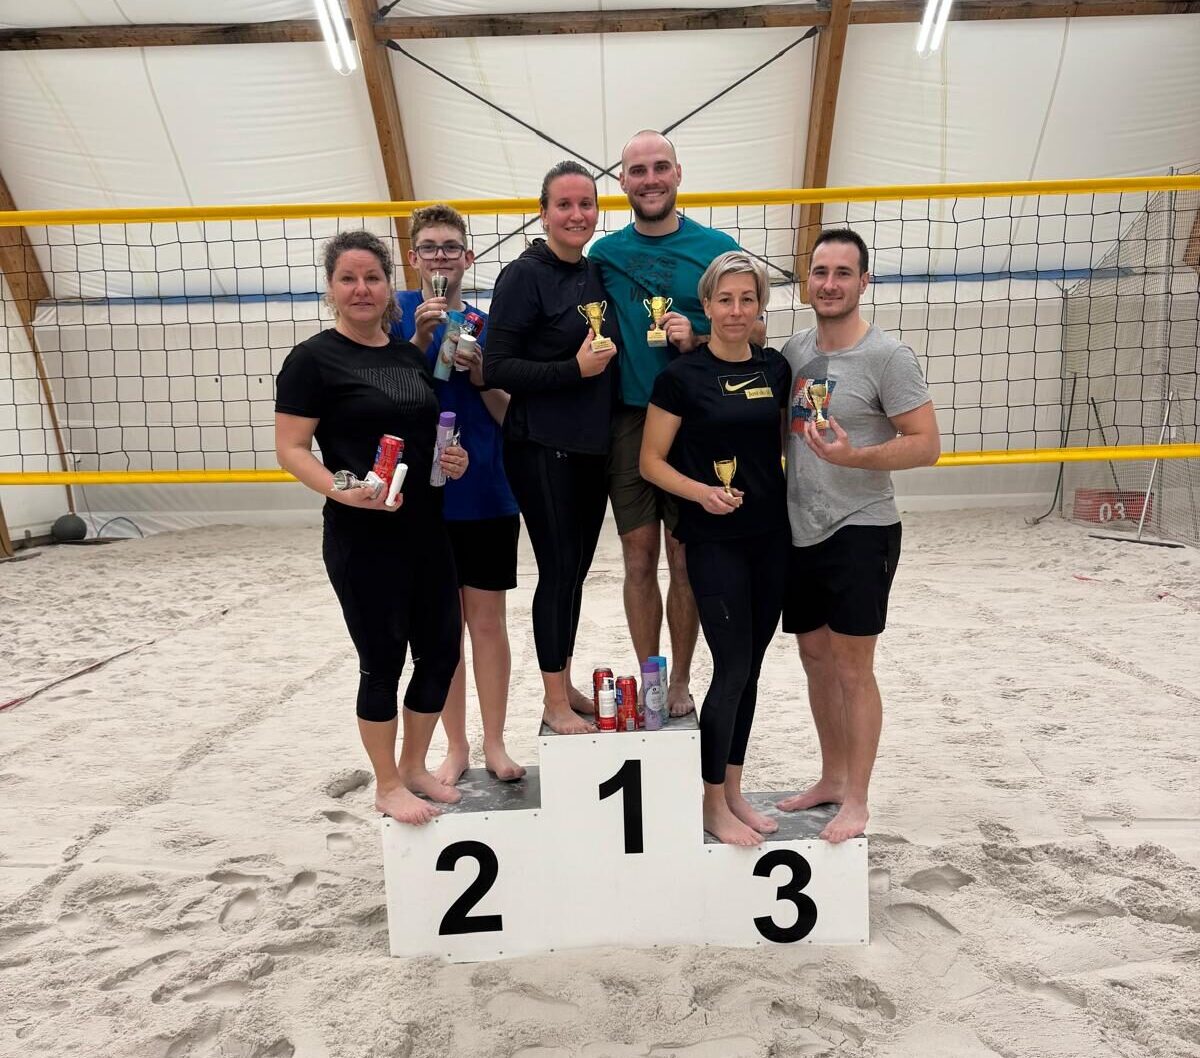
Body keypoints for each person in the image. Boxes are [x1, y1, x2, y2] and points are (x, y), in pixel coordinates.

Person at [275, 229, 469, 825]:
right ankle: (386, 784)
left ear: (389, 287)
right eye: (348, 279)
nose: (361, 289)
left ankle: (414, 767)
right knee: (382, 661)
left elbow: (425, 437)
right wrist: (342, 488)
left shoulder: (408, 356)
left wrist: (452, 460)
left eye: (372, 278)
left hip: (426, 527)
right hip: (361, 536)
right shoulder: (312, 359)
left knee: (440, 653)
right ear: (331, 288)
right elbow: (291, 449)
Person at [591, 130, 767, 718]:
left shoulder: (716, 249)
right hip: (631, 419)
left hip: (697, 424)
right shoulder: (604, 255)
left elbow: (757, 330)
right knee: (639, 559)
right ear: (622, 181)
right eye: (638, 170)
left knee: (685, 559)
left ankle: (681, 682)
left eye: (660, 167)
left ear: (678, 173)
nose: (650, 179)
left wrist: (699, 336)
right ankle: (650, 676)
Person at [777, 228, 940, 843]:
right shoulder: (793, 351)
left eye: (843, 273)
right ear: (807, 281)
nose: (830, 283)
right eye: (821, 272)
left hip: (862, 526)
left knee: (852, 668)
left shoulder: (888, 357)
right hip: (802, 528)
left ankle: (858, 800)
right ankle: (832, 777)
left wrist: (857, 458)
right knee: (815, 659)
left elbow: (926, 445)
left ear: (864, 282)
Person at [639, 251, 790, 847]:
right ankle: (710, 804)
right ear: (706, 305)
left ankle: (732, 789)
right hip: (712, 540)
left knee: (750, 667)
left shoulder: (776, 369)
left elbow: (783, 446)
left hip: (771, 537)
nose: (735, 310)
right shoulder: (681, 378)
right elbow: (650, 462)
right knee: (730, 668)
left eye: (747, 299)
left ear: (760, 307)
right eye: (724, 299)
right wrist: (703, 493)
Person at [483, 161, 619, 735]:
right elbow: (495, 367)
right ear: (543, 213)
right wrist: (573, 369)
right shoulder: (523, 275)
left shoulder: (596, 273)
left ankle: (563, 683)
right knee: (558, 571)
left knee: (576, 572)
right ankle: (552, 701)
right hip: (540, 445)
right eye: (564, 204)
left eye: (586, 204)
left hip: (591, 446)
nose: (576, 214)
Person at [393, 204, 524, 784]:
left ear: (468, 257)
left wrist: (482, 376)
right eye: (430, 247)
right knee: (442, 629)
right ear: (414, 257)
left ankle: (495, 741)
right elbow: (387, 393)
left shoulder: (487, 325)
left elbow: (508, 416)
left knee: (487, 623)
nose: (441, 257)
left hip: (486, 492)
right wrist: (420, 341)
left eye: (451, 247)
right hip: (423, 496)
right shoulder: (395, 314)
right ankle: (456, 744)